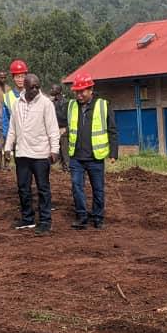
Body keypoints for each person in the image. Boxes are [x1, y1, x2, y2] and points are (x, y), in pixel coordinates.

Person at [4, 73, 60, 236]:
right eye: (32, 87)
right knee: (23, 188)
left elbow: (53, 129)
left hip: (41, 155)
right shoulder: (17, 104)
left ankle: (45, 221)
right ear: (25, 87)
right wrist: (8, 148)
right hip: (22, 154)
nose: (35, 89)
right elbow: (13, 129)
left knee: (43, 189)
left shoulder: (46, 104)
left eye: (37, 86)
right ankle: (27, 218)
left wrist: (54, 150)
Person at [65, 71, 118, 231]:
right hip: (76, 156)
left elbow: (112, 130)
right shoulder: (71, 106)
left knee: (98, 189)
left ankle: (97, 217)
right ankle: (82, 216)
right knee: (76, 185)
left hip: (95, 156)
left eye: (82, 92)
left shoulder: (103, 105)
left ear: (90, 90)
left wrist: (113, 153)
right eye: (77, 92)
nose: (79, 95)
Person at [2, 59, 29, 142]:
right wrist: (7, 140)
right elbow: (5, 121)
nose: (20, 80)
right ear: (13, 78)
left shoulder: (33, 94)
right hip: (16, 139)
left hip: (32, 138)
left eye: (22, 77)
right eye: (18, 77)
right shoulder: (7, 97)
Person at [50, 83, 69, 171]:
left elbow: (64, 116)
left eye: (53, 89)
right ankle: (59, 164)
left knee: (64, 149)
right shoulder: (52, 102)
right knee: (55, 148)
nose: (51, 90)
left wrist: (64, 128)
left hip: (63, 128)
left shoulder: (65, 102)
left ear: (58, 91)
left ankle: (67, 167)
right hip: (54, 128)